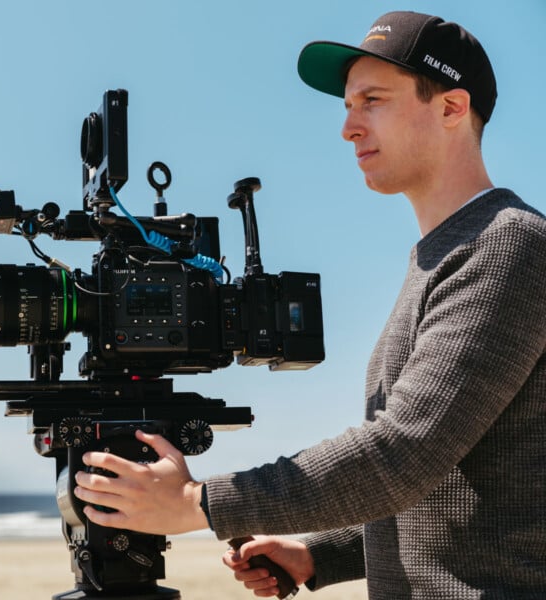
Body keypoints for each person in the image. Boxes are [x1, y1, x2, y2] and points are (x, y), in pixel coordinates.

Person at [73, 11, 546, 599]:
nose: (349, 127)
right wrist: (319, 554)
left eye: (372, 100)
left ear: (451, 107)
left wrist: (198, 502)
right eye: (348, 105)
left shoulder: (506, 244)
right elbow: (452, 483)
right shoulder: (445, 251)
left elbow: (405, 450)